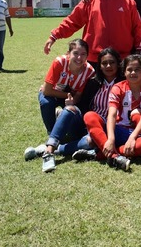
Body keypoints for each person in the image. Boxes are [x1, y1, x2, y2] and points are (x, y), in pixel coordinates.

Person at [27, 47, 124, 163]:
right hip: (86, 125)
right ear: (100, 65)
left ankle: (51, 150)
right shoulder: (94, 82)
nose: (108, 66)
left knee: (90, 141)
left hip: (107, 129)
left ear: (118, 63)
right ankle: (50, 148)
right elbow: (82, 105)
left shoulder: (124, 84)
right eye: (104, 63)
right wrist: (71, 104)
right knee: (70, 109)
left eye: (112, 62)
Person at [44, 0, 141, 66]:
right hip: (94, 60)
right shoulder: (89, 0)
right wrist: (54, 36)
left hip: (121, 59)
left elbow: (138, 28)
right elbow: (72, 21)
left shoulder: (128, 1)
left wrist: (138, 51)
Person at [83, 54, 141, 171]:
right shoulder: (118, 87)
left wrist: (132, 137)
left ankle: (99, 154)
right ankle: (114, 156)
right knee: (89, 116)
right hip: (117, 129)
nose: (133, 73)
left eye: (137, 70)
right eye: (129, 70)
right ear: (124, 72)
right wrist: (111, 139)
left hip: (134, 132)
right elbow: (111, 114)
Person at [37, 39, 96, 172]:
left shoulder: (89, 71)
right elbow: (46, 90)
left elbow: (78, 96)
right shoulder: (59, 62)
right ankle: (52, 135)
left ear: (87, 56)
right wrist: (67, 96)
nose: (79, 58)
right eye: (75, 53)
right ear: (68, 53)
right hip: (53, 94)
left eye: (83, 54)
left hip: (69, 98)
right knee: (46, 101)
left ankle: (53, 143)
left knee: (71, 111)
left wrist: (71, 102)